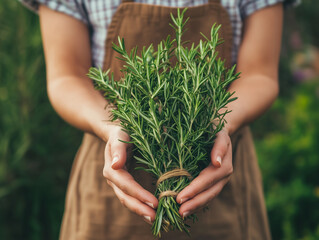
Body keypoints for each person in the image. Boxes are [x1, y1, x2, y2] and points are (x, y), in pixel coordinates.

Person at [20, 0, 297, 239]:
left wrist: (216, 124)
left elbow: (260, 74)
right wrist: (113, 128)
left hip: (221, 178)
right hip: (110, 184)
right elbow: (67, 77)